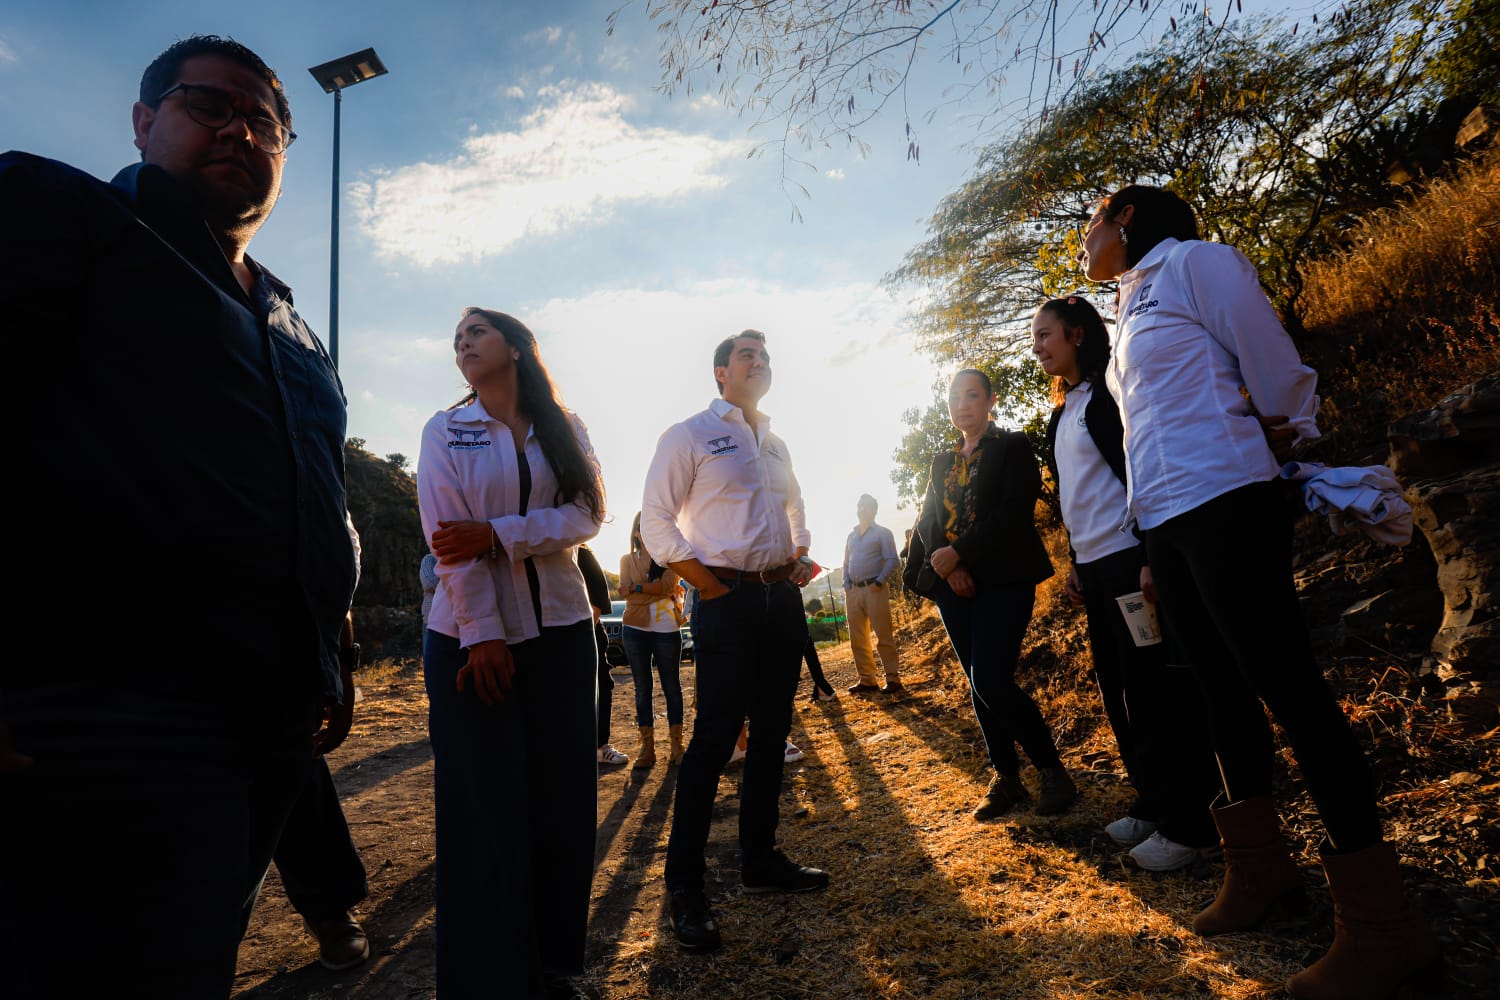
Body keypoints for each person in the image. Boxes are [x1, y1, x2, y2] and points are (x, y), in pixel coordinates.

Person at [0, 36, 358, 998]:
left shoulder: (291, 321)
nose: (242, 128)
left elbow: (311, 489)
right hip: (106, 713)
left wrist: (334, 648)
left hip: (271, 721)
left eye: (268, 122)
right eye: (210, 105)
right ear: (143, 120)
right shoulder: (57, 212)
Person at [1079, 184, 1437, 999]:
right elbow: (1148, 427)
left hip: (1230, 501)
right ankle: (1260, 874)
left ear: (1127, 219)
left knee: (1288, 689)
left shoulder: (1200, 265)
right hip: (1167, 520)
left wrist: (1288, 425)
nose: (1084, 237)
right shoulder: (1128, 309)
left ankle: (1385, 927)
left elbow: (1273, 365)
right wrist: (1146, 538)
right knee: (1219, 698)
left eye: (1092, 220)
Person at [417, 307, 605, 998]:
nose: (462, 342)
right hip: (468, 641)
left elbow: (588, 515)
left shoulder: (566, 425)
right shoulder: (446, 430)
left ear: (518, 348)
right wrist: (483, 634)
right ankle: (486, 981)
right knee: (484, 812)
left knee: (562, 804)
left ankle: (553, 966)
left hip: (561, 632)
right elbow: (446, 540)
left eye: (477, 332)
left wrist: (498, 533)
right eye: (456, 336)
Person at [641, 330, 827, 953]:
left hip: (781, 599)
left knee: (773, 730)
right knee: (717, 738)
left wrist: (799, 554)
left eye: (766, 356)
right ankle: (685, 887)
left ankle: (759, 860)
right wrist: (705, 585)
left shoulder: (773, 442)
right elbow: (656, 521)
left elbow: (796, 505)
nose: (760, 362)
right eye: (747, 355)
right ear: (721, 372)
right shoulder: (690, 434)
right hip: (725, 599)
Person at [1032, 295, 1221, 871]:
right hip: (1095, 570)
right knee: (1120, 690)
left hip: (1130, 562)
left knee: (1158, 693)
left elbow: (1138, 472)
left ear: (1079, 334)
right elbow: (1081, 496)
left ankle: (1191, 824)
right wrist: (1076, 566)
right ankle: (1153, 801)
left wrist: (1149, 554)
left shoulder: (1111, 396)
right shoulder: (1062, 413)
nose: (1037, 345)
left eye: (1046, 334)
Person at [904, 370, 1076, 819]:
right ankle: (1006, 777)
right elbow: (926, 521)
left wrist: (959, 554)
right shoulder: (941, 462)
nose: (962, 404)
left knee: (991, 680)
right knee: (979, 686)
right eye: (954, 396)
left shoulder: (1013, 447)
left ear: (989, 400)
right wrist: (946, 567)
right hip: (951, 586)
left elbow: (1014, 513)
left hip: (1003, 577)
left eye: (972, 395)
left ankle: (1053, 771)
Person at [619, 512, 686, 770]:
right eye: (642, 527)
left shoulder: (668, 557)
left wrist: (637, 589)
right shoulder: (627, 560)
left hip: (667, 627)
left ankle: (676, 745)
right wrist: (648, 590)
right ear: (636, 532)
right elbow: (624, 589)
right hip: (635, 628)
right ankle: (647, 748)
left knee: (672, 688)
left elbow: (667, 587)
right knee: (642, 689)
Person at [842, 494, 904, 694]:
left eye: (866, 507)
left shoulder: (882, 533)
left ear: (874, 510)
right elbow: (845, 563)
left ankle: (893, 679)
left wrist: (879, 581)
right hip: (853, 591)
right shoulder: (851, 536)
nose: (861, 510)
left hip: (874, 589)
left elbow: (893, 560)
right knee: (857, 639)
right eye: (859, 506)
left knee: (883, 635)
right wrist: (846, 584)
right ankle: (867, 680)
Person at [579, 543, 628, 766]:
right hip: (556, 636)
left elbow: (597, 604)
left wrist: (580, 636)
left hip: (587, 632)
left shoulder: (583, 556)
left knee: (601, 685)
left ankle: (601, 747)